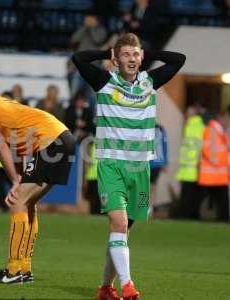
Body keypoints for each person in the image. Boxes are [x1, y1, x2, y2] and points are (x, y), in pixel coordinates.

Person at [72, 33, 185, 300]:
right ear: (117, 59)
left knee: (122, 231)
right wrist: (106, 55)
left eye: (135, 55)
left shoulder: (150, 82)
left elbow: (179, 60)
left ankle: (104, 288)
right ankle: (128, 286)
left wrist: (149, 53)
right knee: (120, 223)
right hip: (112, 165)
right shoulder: (104, 81)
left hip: (140, 168)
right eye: (126, 55)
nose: (132, 59)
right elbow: (78, 58)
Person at [0, 76, 75, 284]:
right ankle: (24, 269)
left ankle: (13, 270)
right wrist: (20, 175)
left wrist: (16, 180)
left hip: (50, 141)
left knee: (18, 201)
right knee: (28, 203)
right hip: (62, 138)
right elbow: (20, 137)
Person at [198, 111, 230, 222]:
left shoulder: (218, 131)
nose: (229, 122)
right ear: (221, 119)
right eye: (227, 119)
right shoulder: (213, 130)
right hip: (214, 174)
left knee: (219, 201)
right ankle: (224, 220)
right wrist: (222, 163)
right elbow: (211, 154)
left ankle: (223, 219)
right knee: (221, 201)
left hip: (217, 175)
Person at [175, 105, 206, 219]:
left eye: (188, 112)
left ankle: (188, 214)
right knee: (191, 193)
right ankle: (191, 214)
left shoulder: (194, 126)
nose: (186, 114)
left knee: (189, 194)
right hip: (191, 167)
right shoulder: (194, 126)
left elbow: (199, 146)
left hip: (191, 168)